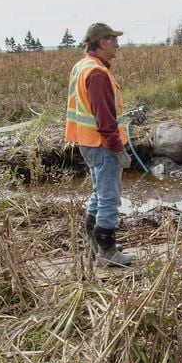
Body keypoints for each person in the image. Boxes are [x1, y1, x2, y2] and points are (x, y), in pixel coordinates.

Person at [65, 22, 135, 267]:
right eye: (114, 40)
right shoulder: (97, 73)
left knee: (98, 194)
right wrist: (118, 149)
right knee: (109, 199)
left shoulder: (82, 66)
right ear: (103, 42)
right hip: (102, 145)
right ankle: (107, 252)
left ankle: (96, 245)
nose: (117, 45)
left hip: (88, 143)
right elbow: (105, 120)